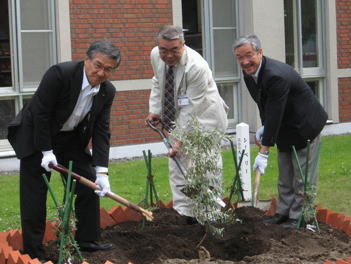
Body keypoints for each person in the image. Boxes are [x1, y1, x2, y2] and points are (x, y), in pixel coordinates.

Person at [7, 40, 120, 261]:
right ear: (86, 60)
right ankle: (33, 251)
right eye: (97, 65)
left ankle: (87, 240)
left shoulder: (107, 91)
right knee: (35, 195)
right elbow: (40, 113)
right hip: (36, 136)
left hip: (69, 139)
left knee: (89, 183)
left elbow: (101, 130)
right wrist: (46, 151)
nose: (101, 72)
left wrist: (102, 171)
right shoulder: (60, 74)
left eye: (108, 69)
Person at [233, 34, 328, 228]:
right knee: (285, 174)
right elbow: (264, 103)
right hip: (284, 125)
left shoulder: (275, 75)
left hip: (305, 126)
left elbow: (275, 111)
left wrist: (264, 150)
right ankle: (283, 213)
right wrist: (265, 127)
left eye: (249, 55)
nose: (244, 61)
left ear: (260, 52)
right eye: (239, 57)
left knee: (303, 176)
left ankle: (299, 217)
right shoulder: (249, 72)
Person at [145, 25, 229, 219]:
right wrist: (155, 111)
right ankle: (184, 214)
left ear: (183, 45)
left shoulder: (196, 67)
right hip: (179, 114)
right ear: (158, 46)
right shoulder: (155, 55)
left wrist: (179, 140)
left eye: (174, 50)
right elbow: (158, 81)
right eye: (164, 50)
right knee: (178, 165)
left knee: (205, 164)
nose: (169, 55)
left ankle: (210, 214)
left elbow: (192, 109)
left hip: (205, 118)